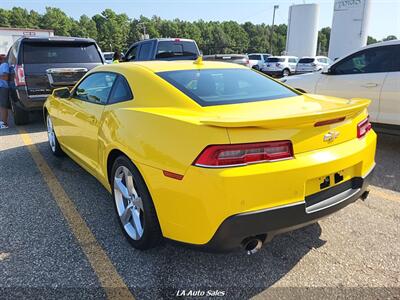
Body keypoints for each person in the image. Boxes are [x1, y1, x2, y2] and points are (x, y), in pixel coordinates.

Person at [0, 57, 10, 129]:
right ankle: (2, 122)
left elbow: (6, 77)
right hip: (2, 87)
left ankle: (4, 123)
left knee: (3, 106)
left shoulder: (4, 65)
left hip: (3, 87)